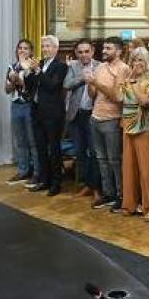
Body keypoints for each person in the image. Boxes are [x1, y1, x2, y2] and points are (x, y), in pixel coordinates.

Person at [85, 37, 131, 210]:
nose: (104, 51)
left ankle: (120, 195)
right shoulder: (100, 67)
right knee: (101, 160)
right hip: (95, 117)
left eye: (108, 48)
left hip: (112, 119)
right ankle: (108, 193)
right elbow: (92, 95)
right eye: (104, 48)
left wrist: (96, 82)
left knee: (114, 160)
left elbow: (117, 96)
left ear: (118, 51)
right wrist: (90, 83)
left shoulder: (123, 69)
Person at [119, 48, 149, 220]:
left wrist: (134, 84)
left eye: (141, 60)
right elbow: (118, 97)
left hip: (147, 128)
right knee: (129, 168)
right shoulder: (129, 79)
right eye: (134, 60)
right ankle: (129, 204)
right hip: (128, 126)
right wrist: (128, 81)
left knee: (148, 170)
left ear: (148, 62)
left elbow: (145, 102)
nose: (137, 64)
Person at [25, 35, 69, 196]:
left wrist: (38, 71)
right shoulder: (40, 64)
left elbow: (52, 86)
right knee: (40, 148)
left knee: (54, 148)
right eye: (43, 46)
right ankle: (44, 180)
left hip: (53, 114)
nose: (44, 49)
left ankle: (56, 183)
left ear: (56, 48)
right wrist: (30, 72)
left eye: (48, 46)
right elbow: (30, 86)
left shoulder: (61, 66)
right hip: (37, 112)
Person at [63, 40, 102, 200]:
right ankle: (86, 184)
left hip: (93, 114)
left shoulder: (100, 66)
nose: (83, 55)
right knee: (79, 151)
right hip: (76, 114)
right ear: (76, 53)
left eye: (86, 51)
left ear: (92, 51)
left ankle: (95, 186)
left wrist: (93, 79)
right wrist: (82, 77)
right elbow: (66, 84)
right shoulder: (73, 66)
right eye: (80, 52)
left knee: (94, 151)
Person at [4, 39, 39, 186]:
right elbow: (6, 90)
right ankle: (23, 170)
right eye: (20, 48)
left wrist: (19, 80)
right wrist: (12, 81)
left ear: (31, 51)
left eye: (25, 48)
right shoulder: (12, 66)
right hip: (16, 105)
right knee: (20, 141)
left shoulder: (34, 66)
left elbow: (32, 87)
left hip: (30, 105)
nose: (22, 51)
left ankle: (37, 172)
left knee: (33, 141)